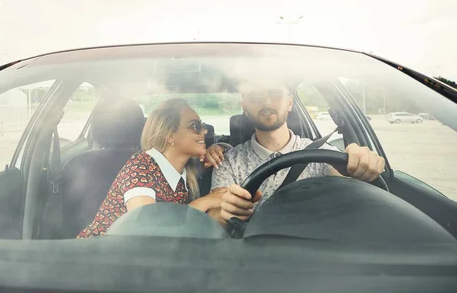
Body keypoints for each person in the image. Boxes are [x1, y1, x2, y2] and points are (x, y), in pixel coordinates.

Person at [202, 78, 386, 226]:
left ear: (289, 102)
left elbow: (346, 185)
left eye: (275, 94)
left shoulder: (322, 153)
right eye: (256, 96)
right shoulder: (229, 161)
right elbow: (216, 211)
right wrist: (227, 213)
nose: (266, 102)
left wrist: (359, 166)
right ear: (245, 107)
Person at [77, 98, 226, 238]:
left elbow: (233, 154)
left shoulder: (187, 169)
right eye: (195, 126)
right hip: (95, 256)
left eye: (203, 126)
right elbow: (146, 227)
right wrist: (205, 202)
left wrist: (218, 148)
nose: (205, 131)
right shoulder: (141, 166)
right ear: (170, 135)